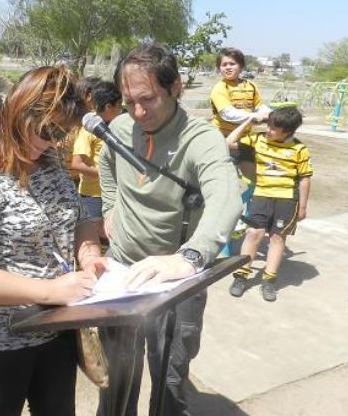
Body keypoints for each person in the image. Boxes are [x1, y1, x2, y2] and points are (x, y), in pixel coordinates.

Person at [0, 66, 105, 416]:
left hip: (56, 331)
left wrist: (89, 254)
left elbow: (80, 219)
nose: (52, 141)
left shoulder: (49, 162)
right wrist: (49, 291)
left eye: (62, 132)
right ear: (19, 109)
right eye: (47, 129)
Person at [97, 44, 242, 416]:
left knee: (169, 379)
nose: (139, 112)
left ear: (175, 86)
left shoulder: (201, 139)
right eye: (129, 102)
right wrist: (110, 206)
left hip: (177, 283)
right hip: (122, 274)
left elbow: (227, 198)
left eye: (148, 99)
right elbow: (107, 161)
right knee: (115, 380)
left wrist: (191, 257)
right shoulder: (120, 126)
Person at [225, 106, 313, 301]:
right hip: (262, 195)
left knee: (277, 238)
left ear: (287, 132)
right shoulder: (258, 140)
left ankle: (269, 281)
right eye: (268, 125)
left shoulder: (299, 149)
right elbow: (228, 142)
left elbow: (305, 178)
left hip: (286, 199)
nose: (268, 130)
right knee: (253, 234)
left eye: (273, 129)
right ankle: (241, 275)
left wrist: (303, 206)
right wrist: (250, 121)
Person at [71, 80, 122, 241]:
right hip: (92, 194)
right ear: (108, 107)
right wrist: (106, 175)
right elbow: (77, 164)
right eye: (119, 105)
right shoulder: (89, 131)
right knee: (95, 236)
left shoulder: (117, 128)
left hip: (111, 192)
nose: (121, 110)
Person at [209, 47, 271, 138]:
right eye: (224, 65)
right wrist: (254, 116)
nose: (228, 67)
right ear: (219, 68)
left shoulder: (251, 86)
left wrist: (270, 114)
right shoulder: (220, 88)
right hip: (222, 137)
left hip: (244, 136)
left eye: (232, 64)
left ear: (241, 66)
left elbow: (259, 107)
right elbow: (228, 114)